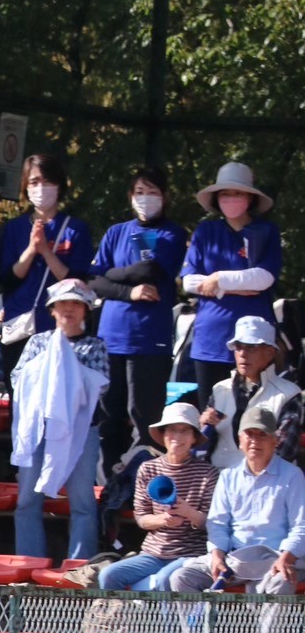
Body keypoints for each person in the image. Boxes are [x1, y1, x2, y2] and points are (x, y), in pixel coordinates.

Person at [89, 168, 188, 478]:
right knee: (109, 417)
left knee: (145, 418)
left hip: (149, 341)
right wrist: (127, 291)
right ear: (131, 197)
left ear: (165, 197)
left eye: (152, 192)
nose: (145, 198)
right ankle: (109, 484)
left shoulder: (172, 233)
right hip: (110, 338)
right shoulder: (115, 232)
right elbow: (93, 281)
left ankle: (144, 485)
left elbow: (149, 269)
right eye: (139, 192)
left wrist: (111, 275)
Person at [11, 279, 109, 561]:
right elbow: (19, 379)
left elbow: (101, 385)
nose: (69, 309)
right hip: (38, 430)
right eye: (63, 303)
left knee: (82, 502)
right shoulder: (37, 343)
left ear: (85, 310)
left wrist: (63, 366)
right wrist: (50, 367)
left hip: (82, 433)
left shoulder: (95, 346)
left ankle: (79, 565)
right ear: (52, 309)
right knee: (27, 501)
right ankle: (29, 562)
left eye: (76, 303)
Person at [169, 407, 305, 596]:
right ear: (240, 440)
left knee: (282, 580)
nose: (255, 441)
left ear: (275, 441)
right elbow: (217, 524)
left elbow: (301, 526)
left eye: (262, 435)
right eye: (250, 434)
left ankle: (267, 620)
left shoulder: (292, 475)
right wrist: (217, 555)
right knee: (182, 578)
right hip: (234, 558)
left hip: (276, 557)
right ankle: (204, 618)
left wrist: (286, 557)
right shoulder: (228, 476)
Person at [180, 161, 282, 409]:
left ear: (250, 197)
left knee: (254, 417)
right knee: (212, 415)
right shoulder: (205, 231)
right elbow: (189, 281)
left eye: (237, 193)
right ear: (217, 198)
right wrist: (238, 286)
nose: (231, 198)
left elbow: (264, 278)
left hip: (255, 342)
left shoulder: (266, 231)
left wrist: (217, 280)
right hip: (210, 341)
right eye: (225, 193)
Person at [97, 403, 218, 592]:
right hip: (153, 553)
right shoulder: (148, 469)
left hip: (191, 554)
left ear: (194, 437)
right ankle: (116, 611)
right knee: (108, 575)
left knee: (164, 580)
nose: (177, 437)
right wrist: (162, 520)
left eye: (184, 431)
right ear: (163, 434)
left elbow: (214, 524)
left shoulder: (208, 473)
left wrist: (189, 513)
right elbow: (141, 517)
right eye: (172, 430)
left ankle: (162, 614)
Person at [0, 153, 93, 384]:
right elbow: (6, 278)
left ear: (59, 185)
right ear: (25, 186)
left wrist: (47, 253)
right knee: (19, 392)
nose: (41, 188)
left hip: (61, 328)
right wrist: (32, 249)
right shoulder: (14, 228)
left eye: (47, 181)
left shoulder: (76, 229)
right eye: (34, 182)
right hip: (20, 326)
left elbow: (76, 281)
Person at [198, 315, 302, 471]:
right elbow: (201, 450)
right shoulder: (219, 390)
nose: (243, 353)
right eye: (238, 347)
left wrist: (243, 477)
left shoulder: (289, 394)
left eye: (251, 347)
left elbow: (284, 453)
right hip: (219, 477)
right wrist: (202, 429)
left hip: (270, 479)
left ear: (270, 353)